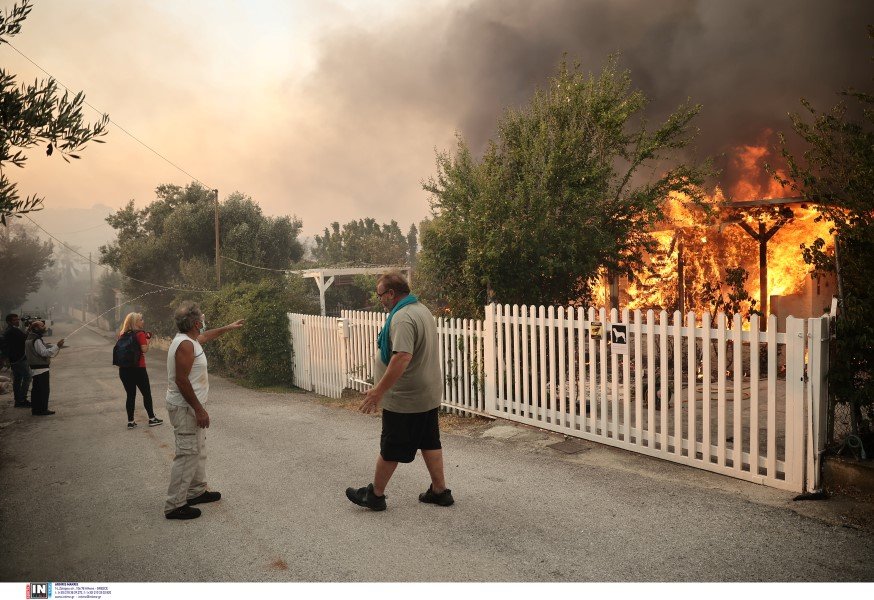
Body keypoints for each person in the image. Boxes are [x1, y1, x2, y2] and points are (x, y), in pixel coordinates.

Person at [345, 271, 454, 511]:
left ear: (391, 293)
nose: (379, 300)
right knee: (429, 441)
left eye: (380, 295)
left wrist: (378, 391)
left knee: (391, 446)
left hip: (406, 397)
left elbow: (402, 357)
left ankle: (375, 495)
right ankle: (440, 491)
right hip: (426, 392)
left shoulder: (402, 318)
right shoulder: (421, 309)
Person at [164, 301, 244, 520]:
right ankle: (174, 504)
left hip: (191, 407)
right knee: (187, 453)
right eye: (201, 318)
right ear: (196, 323)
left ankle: (196, 491)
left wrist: (228, 327)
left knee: (197, 450)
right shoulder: (185, 345)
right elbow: (181, 381)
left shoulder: (191, 340)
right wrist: (199, 410)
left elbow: (207, 336)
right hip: (185, 408)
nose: (203, 321)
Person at [116, 312, 163, 430]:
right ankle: (152, 419)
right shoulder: (140, 334)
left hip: (124, 370)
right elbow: (144, 349)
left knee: (130, 395)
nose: (143, 321)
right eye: (141, 319)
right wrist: (148, 338)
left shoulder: (122, 334)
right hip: (138, 369)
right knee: (146, 394)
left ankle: (130, 421)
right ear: (135, 322)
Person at [24, 320, 64, 416]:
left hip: (35, 368)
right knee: (43, 390)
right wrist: (57, 346)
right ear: (36, 328)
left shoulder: (29, 337)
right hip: (41, 368)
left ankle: (36, 409)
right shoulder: (36, 339)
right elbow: (44, 353)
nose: (44, 327)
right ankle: (42, 410)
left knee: (36, 390)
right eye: (42, 326)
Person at [3, 314, 32, 408]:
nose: (17, 321)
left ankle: (18, 401)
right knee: (27, 377)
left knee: (18, 379)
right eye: (14, 320)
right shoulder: (13, 330)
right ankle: (22, 399)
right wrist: (29, 329)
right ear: (9, 322)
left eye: (17, 319)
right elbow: (26, 338)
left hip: (14, 359)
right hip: (19, 358)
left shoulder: (9, 330)